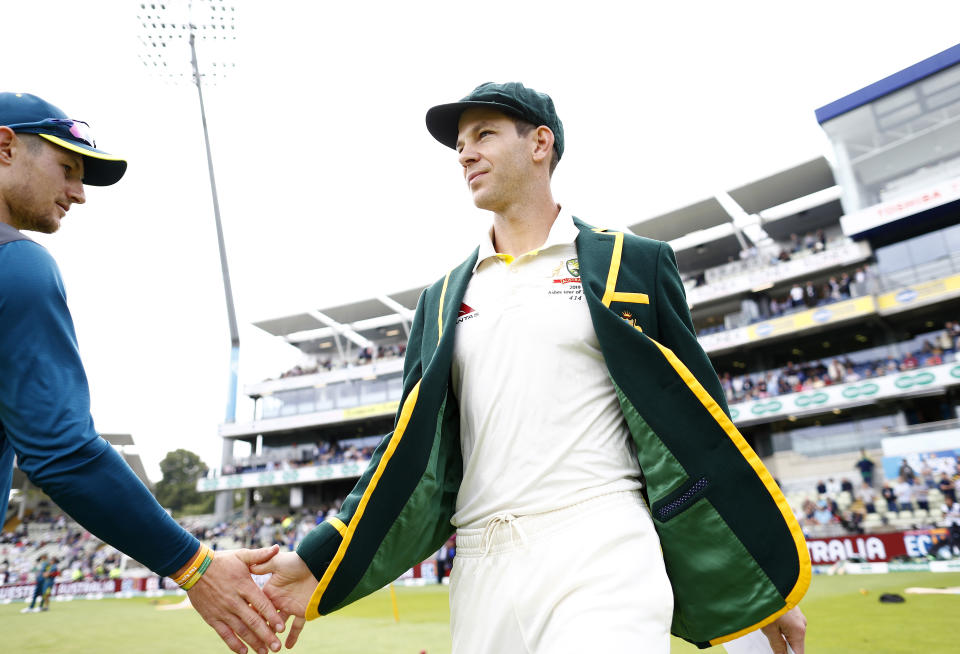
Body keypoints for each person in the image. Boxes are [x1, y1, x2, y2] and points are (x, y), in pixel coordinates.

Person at [253, 82, 808, 653]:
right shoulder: (439, 301)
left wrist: (764, 584)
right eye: (460, 144)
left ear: (540, 142)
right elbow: (406, 455)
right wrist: (318, 556)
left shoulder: (633, 263)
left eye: (484, 134)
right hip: (479, 564)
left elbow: (703, 425)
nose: (465, 153)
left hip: (604, 541)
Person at [0, 92, 284, 654]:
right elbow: (61, 454)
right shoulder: (18, 267)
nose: (79, 194)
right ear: (5, 147)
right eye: (67, 169)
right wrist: (196, 564)